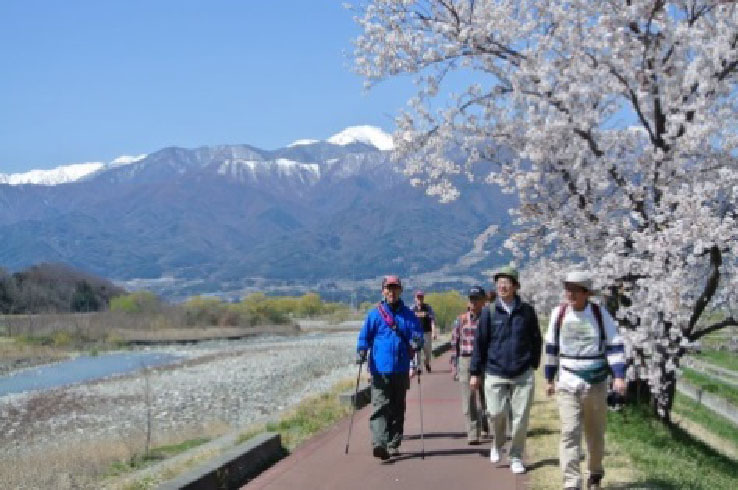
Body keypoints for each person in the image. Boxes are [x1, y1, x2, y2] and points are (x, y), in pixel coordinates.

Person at [544, 271, 626, 490]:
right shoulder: (558, 314)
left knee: (595, 434)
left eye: (575, 289)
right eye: (567, 288)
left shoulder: (599, 314)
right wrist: (549, 378)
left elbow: (615, 344)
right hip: (568, 379)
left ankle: (595, 473)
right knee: (569, 432)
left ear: (586, 293)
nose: (570, 293)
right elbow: (551, 347)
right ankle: (571, 482)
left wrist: (619, 375)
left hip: (596, 381)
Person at [469, 265, 541, 475]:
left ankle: (516, 456)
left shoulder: (526, 311)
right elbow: (480, 344)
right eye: (499, 281)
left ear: (516, 286)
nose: (502, 285)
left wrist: (533, 364)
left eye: (507, 281)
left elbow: (536, 339)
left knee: (520, 418)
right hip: (495, 371)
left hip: (522, 373)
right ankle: (497, 443)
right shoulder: (489, 312)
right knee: (496, 412)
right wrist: (475, 373)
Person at [357, 275, 423, 460]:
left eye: (395, 288)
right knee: (379, 406)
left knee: (397, 408)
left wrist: (417, 341)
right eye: (388, 288)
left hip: (401, 368)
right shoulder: (374, 315)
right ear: (383, 291)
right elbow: (364, 337)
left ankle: (393, 443)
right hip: (379, 369)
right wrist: (361, 351)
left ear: (400, 290)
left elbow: (417, 334)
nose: (392, 291)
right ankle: (379, 443)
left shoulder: (408, 315)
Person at [451, 285, 490, 444]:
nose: (473, 302)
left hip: (485, 361)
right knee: (468, 399)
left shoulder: (488, 318)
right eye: (471, 299)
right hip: (465, 360)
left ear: (483, 301)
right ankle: (473, 433)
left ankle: (485, 424)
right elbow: (455, 343)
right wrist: (454, 366)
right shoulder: (461, 320)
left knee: (487, 397)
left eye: (477, 299)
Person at [411, 290, 437, 372]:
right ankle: (419, 367)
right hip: (416, 334)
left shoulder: (428, 308)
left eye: (421, 297)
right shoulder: (412, 309)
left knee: (427, 352)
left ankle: (426, 362)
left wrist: (434, 332)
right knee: (417, 351)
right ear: (415, 298)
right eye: (418, 297)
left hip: (427, 332)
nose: (419, 299)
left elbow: (432, 320)